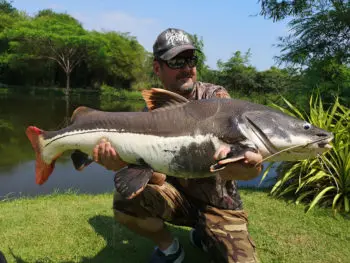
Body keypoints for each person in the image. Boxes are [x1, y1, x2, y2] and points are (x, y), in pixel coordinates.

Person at [93, 28, 262, 263]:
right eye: (177, 61)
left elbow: (247, 165)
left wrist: (250, 165)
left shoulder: (215, 98)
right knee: (125, 202)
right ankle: (170, 249)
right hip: (178, 200)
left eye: (191, 59)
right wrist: (123, 163)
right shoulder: (151, 113)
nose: (187, 68)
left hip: (220, 206)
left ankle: (205, 234)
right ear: (157, 68)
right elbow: (159, 179)